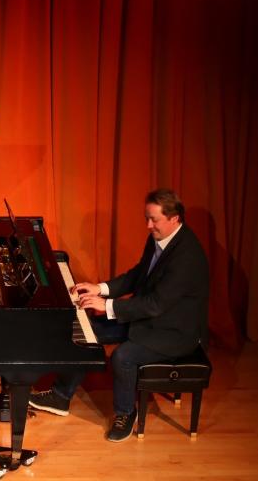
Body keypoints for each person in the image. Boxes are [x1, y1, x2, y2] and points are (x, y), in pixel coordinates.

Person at [28, 188, 209, 441]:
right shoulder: (160, 238)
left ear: (174, 218)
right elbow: (138, 276)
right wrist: (101, 288)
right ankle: (60, 396)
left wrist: (108, 305)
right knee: (87, 330)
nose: (148, 225)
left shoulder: (187, 257)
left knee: (123, 357)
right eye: (147, 218)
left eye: (153, 219)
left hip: (174, 331)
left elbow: (156, 304)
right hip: (149, 318)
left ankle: (126, 413)